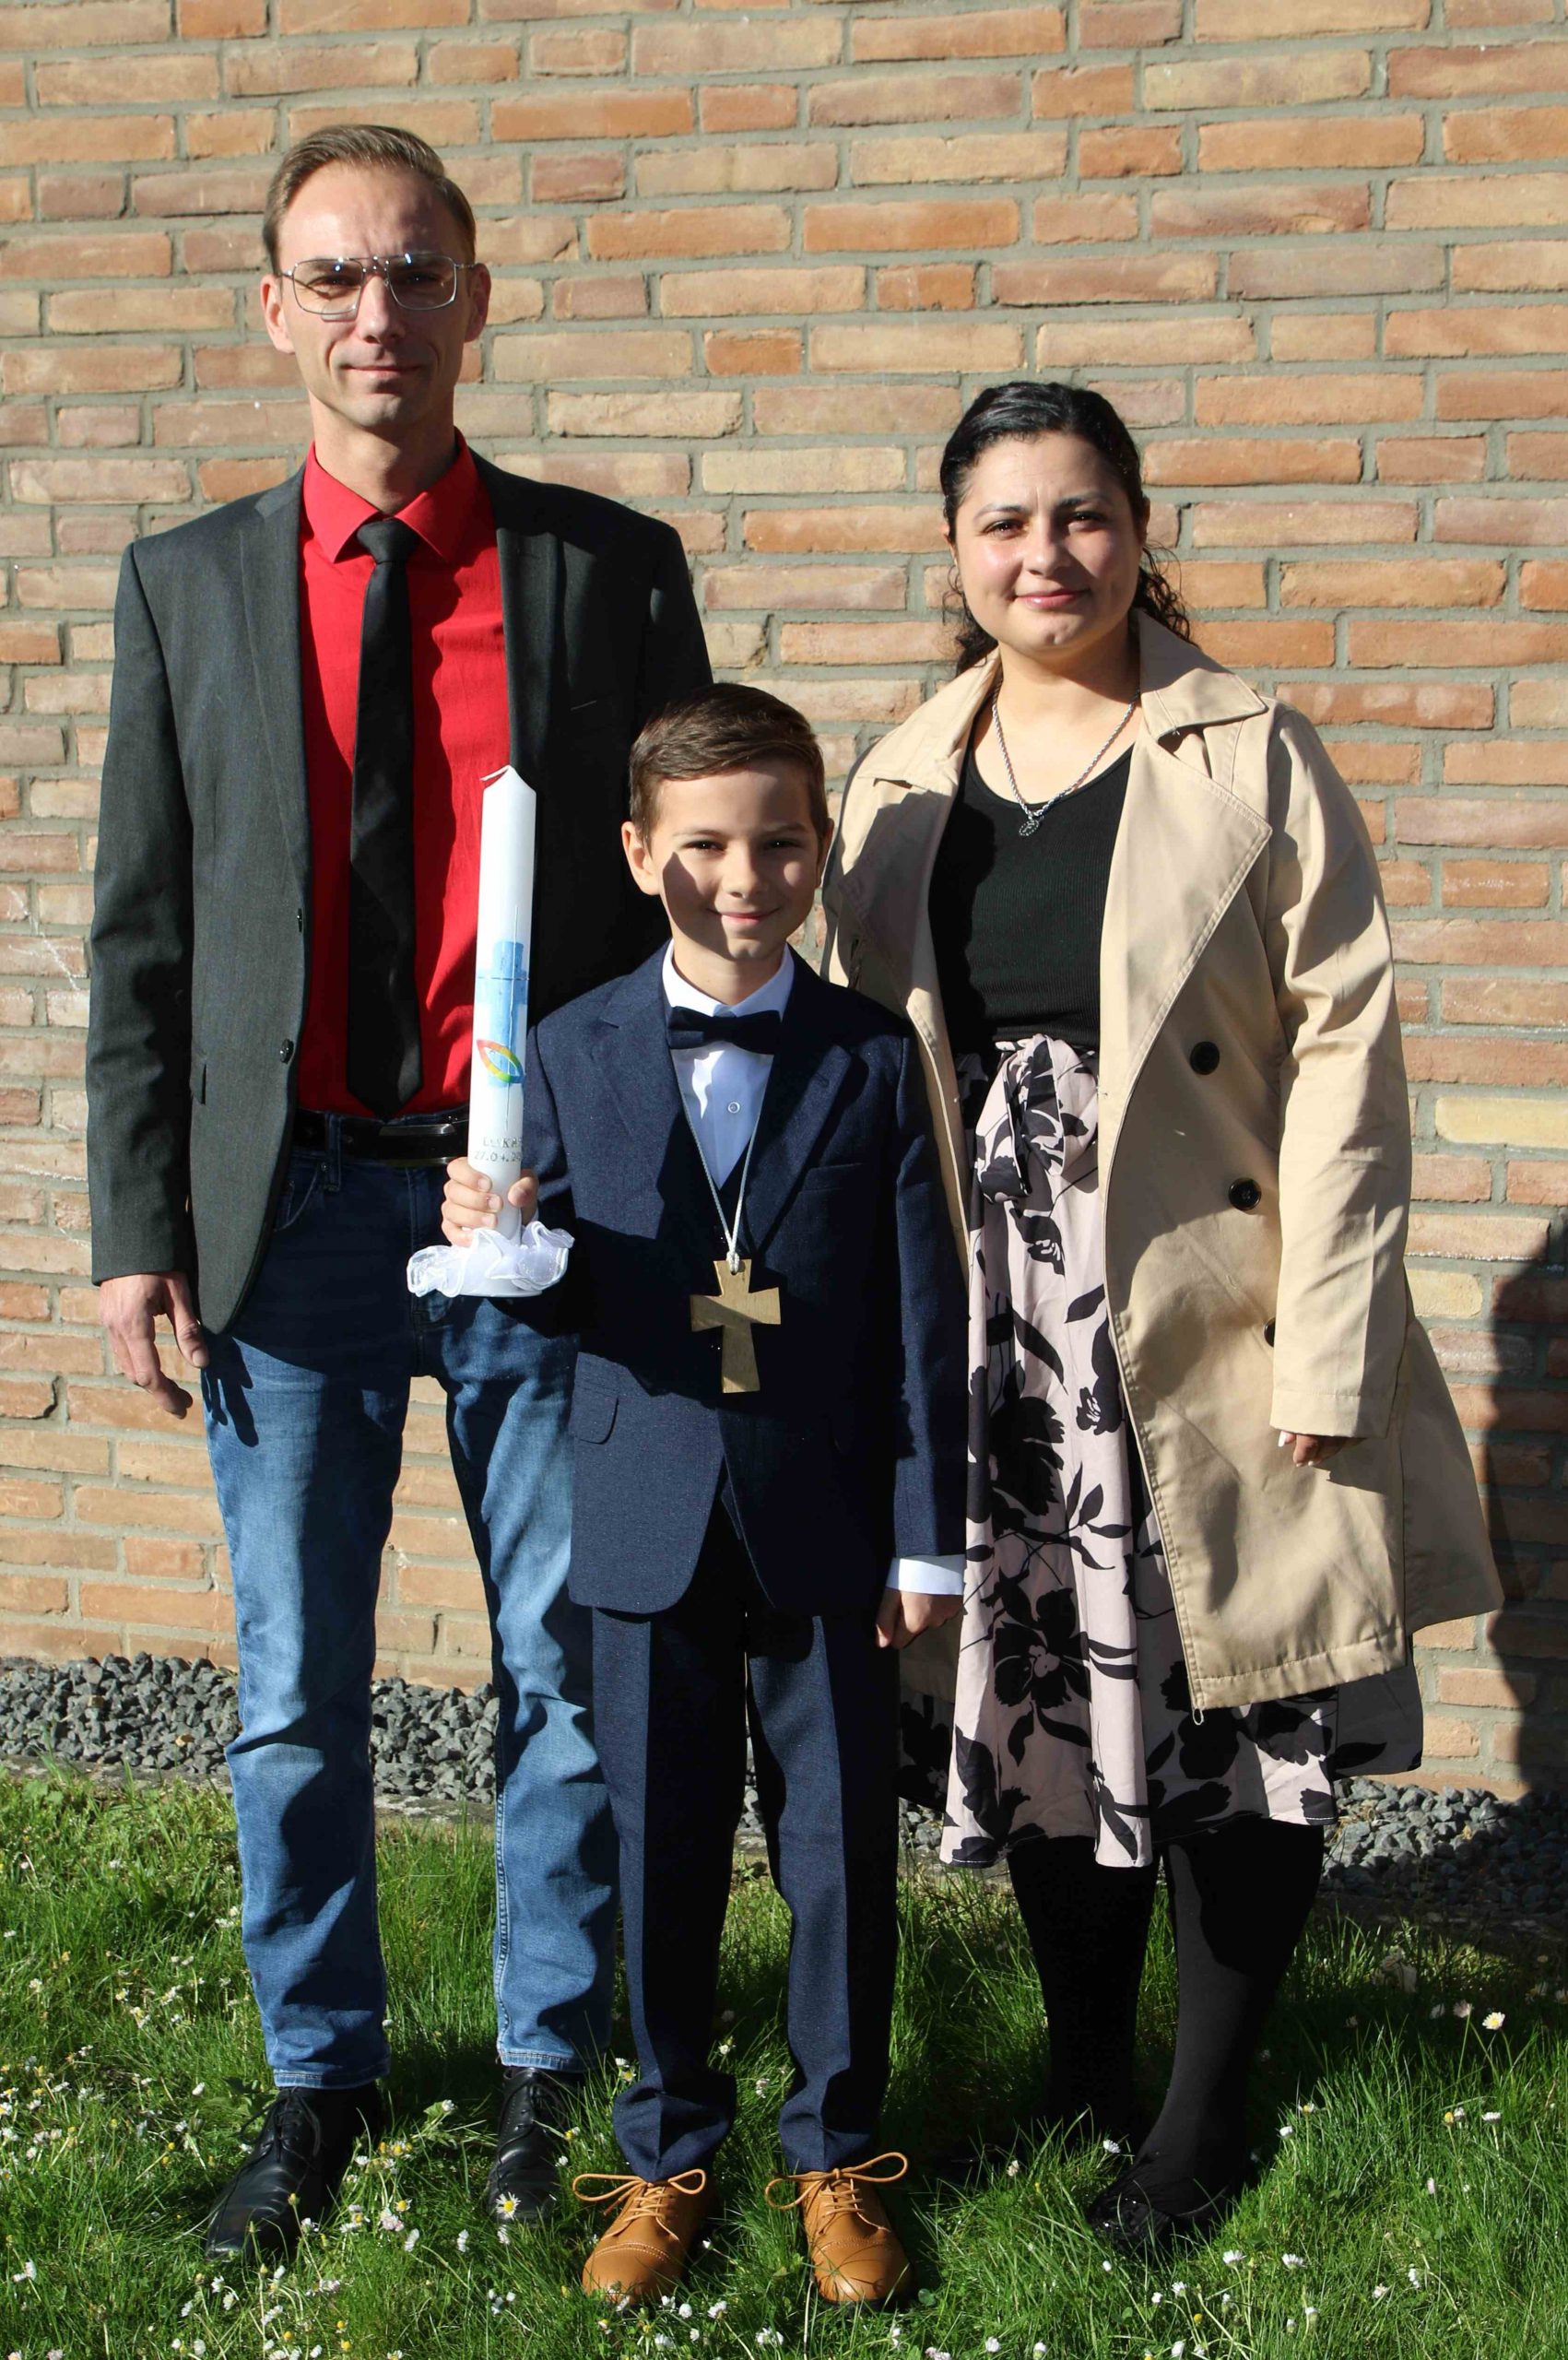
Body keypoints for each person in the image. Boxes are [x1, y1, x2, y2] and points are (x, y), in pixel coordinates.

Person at [85, 124, 710, 2258]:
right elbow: (141, 934)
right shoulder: (184, 583)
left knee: (563, 1658)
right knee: (291, 1687)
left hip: (536, 1210)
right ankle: (318, 2074)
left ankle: (547, 2058)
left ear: (475, 299)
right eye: (337, 276)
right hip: (289, 1217)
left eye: (417, 271)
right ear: (275, 308)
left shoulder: (604, 575)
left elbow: (678, 900)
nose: (380, 313)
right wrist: (134, 1226)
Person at [819, 379, 1500, 2252]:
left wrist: (1330, 1338)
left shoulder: (1247, 750)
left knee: (1236, 1707)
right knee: (1051, 1696)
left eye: (1080, 514)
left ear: (1134, 526)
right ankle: (1081, 2070)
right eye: (1003, 522)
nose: (1044, 554)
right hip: (994, 1323)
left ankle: (1196, 2123)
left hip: (1216, 1307)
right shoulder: (896, 780)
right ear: (952, 550)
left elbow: (1350, 1055)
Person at [440, 684, 967, 2304]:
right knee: (661, 1845)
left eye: (780, 844)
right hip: (645, 1509)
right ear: (633, 851)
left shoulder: (870, 1054)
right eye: (707, 847)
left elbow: (921, 1310)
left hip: (825, 1515)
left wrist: (925, 1536)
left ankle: (835, 2153)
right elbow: (558, 1292)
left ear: (820, 848)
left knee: (836, 1852)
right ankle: (663, 2149)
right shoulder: (568, 1043)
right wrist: (503, 1244)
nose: (745, 879)